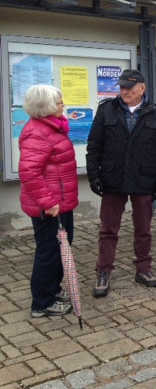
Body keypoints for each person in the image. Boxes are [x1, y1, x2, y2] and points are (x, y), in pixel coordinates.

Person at [87, 69, 156, 297]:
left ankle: (143, 269)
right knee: (108, 229)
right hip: (113, 178)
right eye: (122, 87)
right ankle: (103, 271)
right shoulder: (107, 109)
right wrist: (93, 174)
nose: (124, 91)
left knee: (143, 229)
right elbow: (94, 144)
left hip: (144, 178)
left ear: (142, 88)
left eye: (129, 87)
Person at [19, 85, 78, 318]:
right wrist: (48, 202)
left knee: (61, 248)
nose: (63, 104)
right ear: (45, 106)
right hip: (49, 206)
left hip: (61, 202)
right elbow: (30, 172)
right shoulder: (37, 133)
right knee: (49, 252)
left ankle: (52, 289)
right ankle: (42, 302)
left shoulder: (53, 127)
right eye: (59, 101)